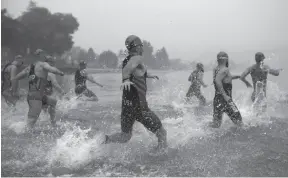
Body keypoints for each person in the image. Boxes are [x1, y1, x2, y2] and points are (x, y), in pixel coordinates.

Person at [104, 35, 167, 150]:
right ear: (137, 47)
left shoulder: (127, 60)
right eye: (141, 46)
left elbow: (134, 71)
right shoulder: (137, 58)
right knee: (162, 133)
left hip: (127, 105)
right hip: (139, 106)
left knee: (125, 136)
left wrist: (147, 75)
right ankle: (160, 157)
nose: (142, 49)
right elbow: (127, 70)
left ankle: (104, 140)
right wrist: (126, 80)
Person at [11, 49, 65, 130]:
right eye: (45, 55)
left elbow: (17, 77)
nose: (46, 57)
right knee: (31, 123)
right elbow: (51, 69)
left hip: (34, 96)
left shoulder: (29, 67)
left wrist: (13, 89)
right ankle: (21, 133)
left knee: (53, 101)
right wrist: (60, 73)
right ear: (42, 56)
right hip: (36, 98)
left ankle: (53, 123)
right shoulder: (43, 64)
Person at [210, 51, 243, 128]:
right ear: (226, 59)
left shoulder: (216, 69)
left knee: (216, 126)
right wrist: (225, 96)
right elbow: (217, 80)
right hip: (227, 101)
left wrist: (237, 76)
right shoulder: (225, 70)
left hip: (217, 100)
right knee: (239, 122)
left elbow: (224, 79)